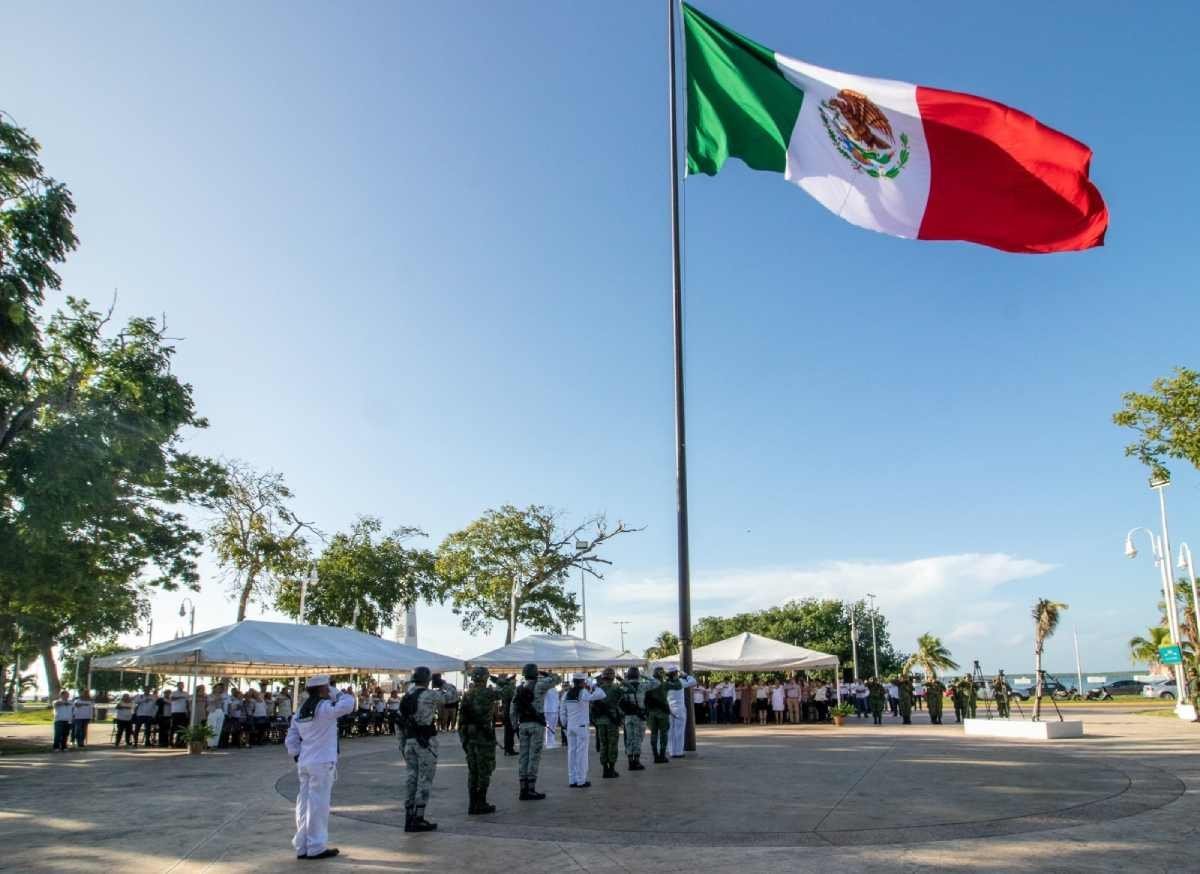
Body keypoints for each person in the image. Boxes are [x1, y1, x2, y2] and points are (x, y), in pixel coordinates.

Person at [285, 675, 355, 860]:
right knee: (318, 805)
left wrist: (297, 754)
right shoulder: (324, 707)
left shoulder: (300, 710)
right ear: (323, 689)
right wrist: (337, 692)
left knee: (304, 804)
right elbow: (348, 704)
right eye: (328, 687)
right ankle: (316, 846)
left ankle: (302, 846)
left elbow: (291, 737)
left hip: (305, 762)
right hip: (322, 762)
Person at [399, 665, 446, 831]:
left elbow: (400, 725)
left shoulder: (406, 697)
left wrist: (402, 745)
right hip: (425, 743)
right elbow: (451, 697)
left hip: (410, 742)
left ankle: (409, 817)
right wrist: (443, 683)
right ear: (427, 679)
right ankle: (419, 818)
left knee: (411, 778)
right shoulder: (430, 695)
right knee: (424, 780)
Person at [510, 663, 561, 800]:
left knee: (523, 757)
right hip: (536, 725)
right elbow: (557, 679)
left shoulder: (519, 688)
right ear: (535, 673)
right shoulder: (541, 684)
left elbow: (513, 709)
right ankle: (531, 789)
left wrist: (515, 725)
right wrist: (545, 673)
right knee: (534, 756)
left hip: (523, 725)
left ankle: (522, 789)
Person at [458, 666, 500, 814]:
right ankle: (481, 803)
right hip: (484, 738)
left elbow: (461, 721)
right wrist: (500, 681)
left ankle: (472, 803)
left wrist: (464, 740)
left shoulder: (467, 694)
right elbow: (509, 691)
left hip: (470, 738)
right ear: (485, 678)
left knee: (473, 771)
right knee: (485, 771)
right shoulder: (488, 693)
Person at [560, 673, 606, 787]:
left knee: (571, 753)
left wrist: (565, 724)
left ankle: (572, 779)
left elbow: (562, 711)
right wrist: (594, 686)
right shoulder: (583, 693)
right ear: (582, 682)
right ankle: (581, 780)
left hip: (570, 726)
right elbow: (602, 694)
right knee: (582, 754)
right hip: (581, 727)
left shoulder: (566, 694)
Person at [618, 666, 660, 771]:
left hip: (628, 716)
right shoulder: (642, 686)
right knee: (638, 738)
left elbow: (619, 704)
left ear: (628, 676)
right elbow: (657, 682)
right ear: (638, 675)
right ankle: (636, 761)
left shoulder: (623, 687)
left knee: (629, 739)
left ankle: (630, 762)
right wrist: (644, 675)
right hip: (639, 716)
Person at [593, 668, 623, 778]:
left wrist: (595, 721)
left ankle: (605, 770)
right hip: (612, 721)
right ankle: (612, 769)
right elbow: (632, 689)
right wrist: (622, 680)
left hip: (600, 721)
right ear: (613, 677)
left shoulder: (597, 690)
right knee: (612, 744)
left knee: (603, 745)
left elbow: (593, 707)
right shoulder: (616, 689)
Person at [664, 667, 696, 757]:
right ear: (675, 674)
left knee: (670, 731)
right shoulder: (680, 682)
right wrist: (686, 675)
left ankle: (672, 751)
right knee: (679, 731)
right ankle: (678, 752)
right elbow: (693, 681)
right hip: (679, 709)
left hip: (669, 709)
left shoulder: (666, 684)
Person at [644, 667, 672, 764]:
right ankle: (662, 755)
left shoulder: (649, 685)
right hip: (663, 713)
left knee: (654, 734)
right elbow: (678, 685)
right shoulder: (665, 684)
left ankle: (655, 756)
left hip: (652, 713)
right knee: (663, 734)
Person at [497, 674, 518, 756]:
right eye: (514, 680)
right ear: (511, 681)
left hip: (506, 712)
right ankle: (509, 749)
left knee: (508, 732)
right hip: (510, 713)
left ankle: (508, 749)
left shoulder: (506, 688)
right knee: (510, 732)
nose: (515, 681)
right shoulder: (510, 689)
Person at [206, 683, 228, 749]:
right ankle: (209, 744)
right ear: (214, 688)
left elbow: (224, 701)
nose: (219, 689)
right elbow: (211, 701)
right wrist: (218, 696)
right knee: (211, 727)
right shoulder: (210, 695)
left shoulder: (224, 695)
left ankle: (215, 744)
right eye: (218, 688)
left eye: (221, 688)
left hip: (220, 711)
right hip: (213, 711)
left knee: (218, 728)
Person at [542, 679, 561, 750]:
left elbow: (557, 700)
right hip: (549, 710)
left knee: (553, 727)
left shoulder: (554, 689)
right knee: (550, 727)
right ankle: (549, 743)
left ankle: (552, 740)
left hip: (554, 710)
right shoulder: (547, 690)